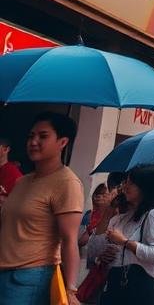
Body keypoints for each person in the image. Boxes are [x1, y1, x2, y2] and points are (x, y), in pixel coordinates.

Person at [0, 112, 83, 303]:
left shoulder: (66, 182)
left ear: (63, 142)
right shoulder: (23, 181)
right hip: (4, 272)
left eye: (43, 136)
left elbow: (70, 239)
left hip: (29, 278)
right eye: (31, 136)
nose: (34, 141)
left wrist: (71, 291)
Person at [87, 164, 154, 305]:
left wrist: (125, 242)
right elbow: (93, 250)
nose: (125, 187)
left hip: (139, 288)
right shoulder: (122, 217)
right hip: (115, 284)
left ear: (145, 187)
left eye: (131, 183)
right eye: (126, 182)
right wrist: (108, 211)